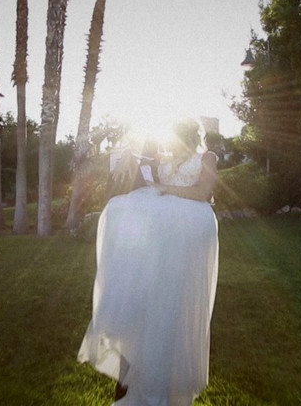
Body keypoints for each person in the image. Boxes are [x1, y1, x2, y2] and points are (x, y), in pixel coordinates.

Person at [78, 119, 219, 405]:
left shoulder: (207, 157)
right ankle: (138, 368)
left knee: (177, 304)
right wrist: (129, 158)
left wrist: (166, 190)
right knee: (120, 210)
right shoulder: (163, 160)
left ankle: (167, 382)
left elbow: (204, 193)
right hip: (163, 240)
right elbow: (138, 173)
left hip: (187, 234)